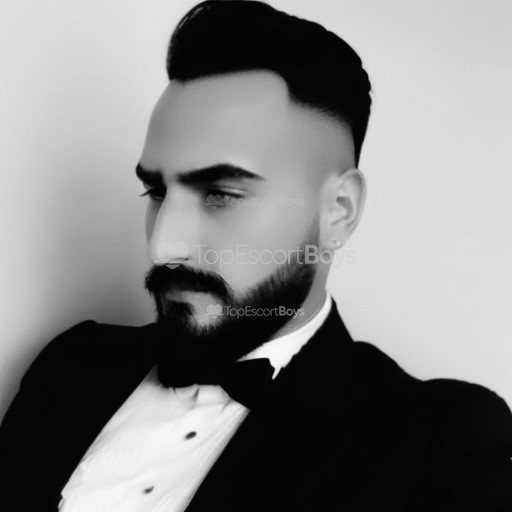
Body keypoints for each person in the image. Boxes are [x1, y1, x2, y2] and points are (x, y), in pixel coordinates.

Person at [1, 1, 511, 510]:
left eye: (220, 194)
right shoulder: (71, 365)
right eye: (156, 191)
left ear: (337, 211)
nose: (163, 246)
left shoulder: (441, 440)